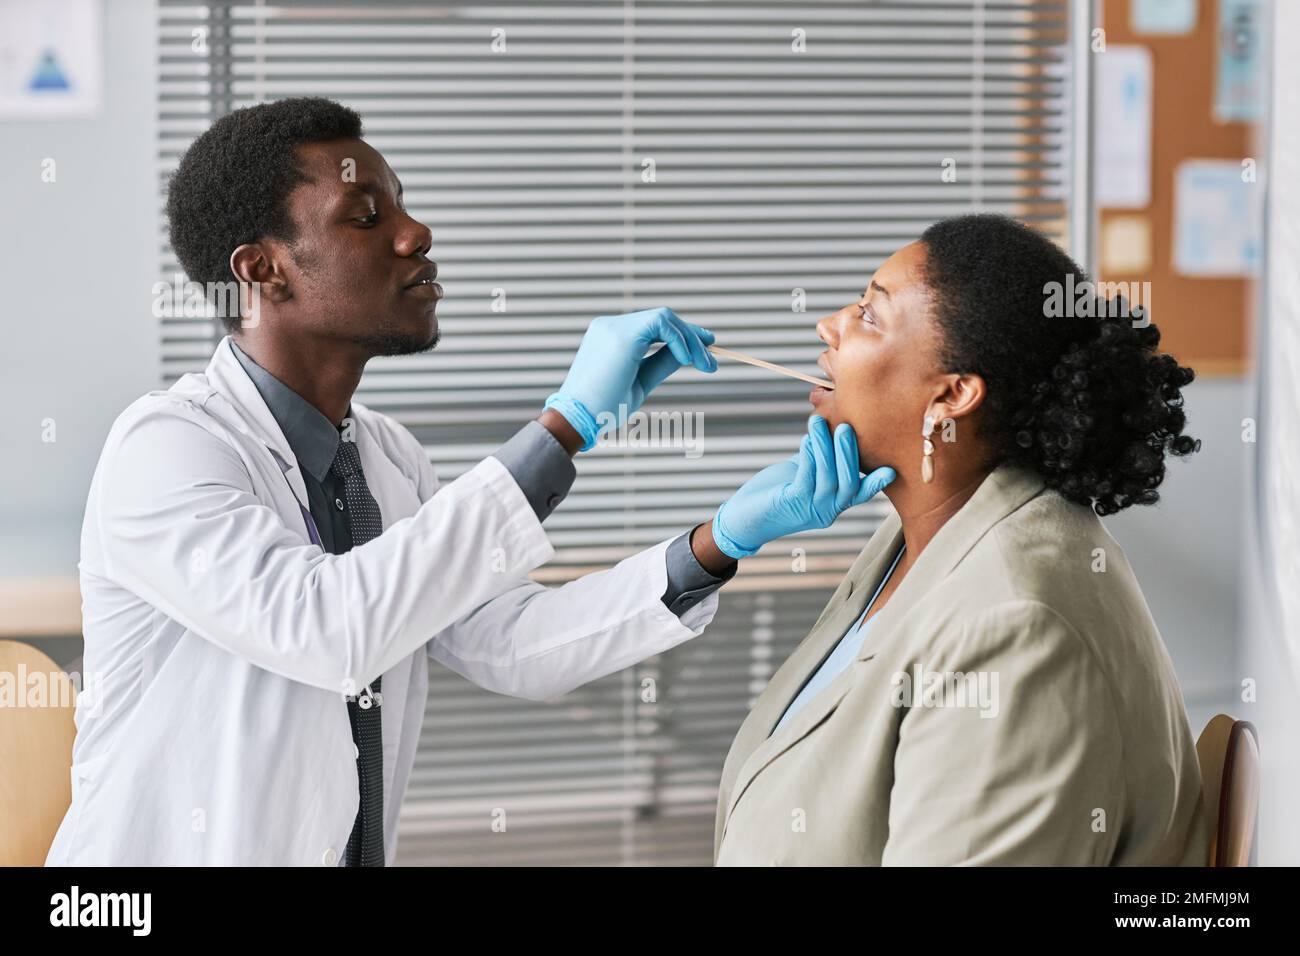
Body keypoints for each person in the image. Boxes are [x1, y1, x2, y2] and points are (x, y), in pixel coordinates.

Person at [45, 97, 890, 866]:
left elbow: (512, 645)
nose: (416, 234)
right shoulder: (167, 449)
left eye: (404, 206)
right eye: (367, 216)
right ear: (264, 272)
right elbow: (328, 628)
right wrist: (565, 427)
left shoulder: (386, 456)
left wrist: (721, 540)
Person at [710, 214, 1211, 865]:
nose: (827, 325)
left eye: (868, 314)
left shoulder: (1016, 626)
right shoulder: (921, 535)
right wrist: (715, 542)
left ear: (951, 395)